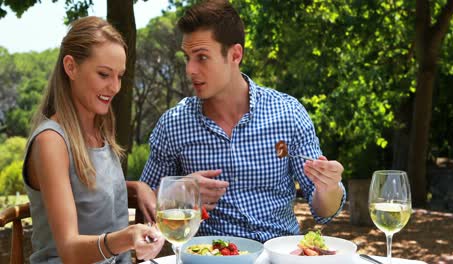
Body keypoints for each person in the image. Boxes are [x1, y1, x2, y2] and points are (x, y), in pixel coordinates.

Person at [140, 0, 346, 243]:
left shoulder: (288, 113)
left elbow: (324, 212)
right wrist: (181, 192)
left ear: (235, 54)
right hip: (210, 257)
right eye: (188, 57)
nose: (190, 70)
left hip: (278, 255)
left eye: (202, 57)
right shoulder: (173, 124)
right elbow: (146, 202)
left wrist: (328, 187)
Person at [22, 16, 164, 263]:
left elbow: (86, 188)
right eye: (104, 74)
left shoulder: (100, 132)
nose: (114, 87)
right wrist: (127, 238)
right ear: (71, 67)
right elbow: (69, 250)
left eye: (119, 76)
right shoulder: (51, 141)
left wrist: (136, 188)